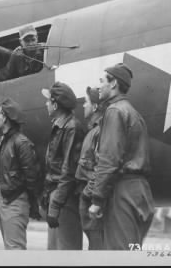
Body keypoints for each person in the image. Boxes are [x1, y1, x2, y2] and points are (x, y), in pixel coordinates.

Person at [89, 63, 155, 250]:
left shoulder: (114, 111)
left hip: (123, 192)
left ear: (113, 83)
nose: (98, 86)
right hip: (141, 192)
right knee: (132, 252)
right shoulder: (134, 113)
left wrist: (97, 200)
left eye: (101, 81)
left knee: (120, 256)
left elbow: (109, 160)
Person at [40, 82, 84, 250]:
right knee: (55, 251)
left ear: (56, 104)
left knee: (67, 252)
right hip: (57, 196)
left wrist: (56, 204)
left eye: (48, 101)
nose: (46, 104)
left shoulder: (72, 127)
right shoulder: (60, 125)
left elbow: (68, 171)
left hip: (64, 198)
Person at [0, 98, 41, 250]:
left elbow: (32, 177)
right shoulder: (4, 141)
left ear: (6, 117)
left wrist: (33, 204)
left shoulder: (22, 143)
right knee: (11, 249)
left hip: (14, 202)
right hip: (5, 199)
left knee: (15, 251)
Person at [75, 87, 105, 250]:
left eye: (86, 102)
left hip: (92, 199)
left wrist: (88, 195)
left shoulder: (100, 131)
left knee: (97, 246)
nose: (83, 106)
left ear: (94, 107)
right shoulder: (93, 130)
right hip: (89, 197)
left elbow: (102, 169)